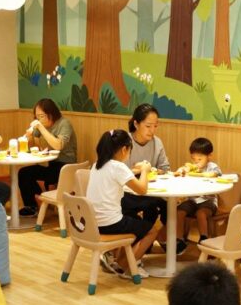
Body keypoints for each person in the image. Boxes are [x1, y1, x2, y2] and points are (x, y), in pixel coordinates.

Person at [86, 129, 161, 279]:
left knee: (132, 216)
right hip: (110, 223)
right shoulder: (118, 167)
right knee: (154, 228)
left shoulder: (97, 165)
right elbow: (141, 189)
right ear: (124, 149)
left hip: (92, 223)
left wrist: (135, 170)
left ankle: (121, 260)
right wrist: (145, 170)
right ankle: (127, 266)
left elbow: (117, 177)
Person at [17, 98, 78, 217]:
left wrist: (41, 128)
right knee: (24, 173)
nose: (39, 119)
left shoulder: (64, 123)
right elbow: (33, 144)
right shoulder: (41, 124)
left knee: (32, 173)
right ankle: (31, 206)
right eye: (36, 116)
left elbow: (58, 145)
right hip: (50, 163)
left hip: (65, 166)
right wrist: (29, 137)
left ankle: (41, 198)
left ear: (51, 114)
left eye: (41, 116)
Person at [122, 104, 170, 228]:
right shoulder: (125, 142)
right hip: (128, 192)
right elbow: (121, 173)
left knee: (169, 205)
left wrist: (155, 171)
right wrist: (141, 170)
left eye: (155, 126)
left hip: (150, 190)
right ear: (136, 124)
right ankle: (147, 237)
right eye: (148, 126)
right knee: (151, 205)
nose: (152, 130)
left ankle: (164, 240)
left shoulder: (157, 142)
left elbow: (165, 169)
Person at [173, 137, 222, 255]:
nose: (196, 162)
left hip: (207, 200)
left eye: (200, 159)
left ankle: (204, 238)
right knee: (179, 211)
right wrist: (182, 171)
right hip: (192, 200)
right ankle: (179, 240)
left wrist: (198, 174)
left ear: (209, 156)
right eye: (193, 159)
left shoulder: (212, 167)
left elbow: (215, 174)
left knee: (200, 213)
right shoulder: (190, 168)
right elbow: (181, 173)